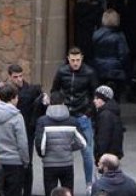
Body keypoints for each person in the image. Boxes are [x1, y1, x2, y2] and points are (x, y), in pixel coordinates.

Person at [50, 49, 98, 187]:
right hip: (65, 115)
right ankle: (62, 185)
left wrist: (88, 113)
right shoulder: (62, 71)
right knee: (60, 149)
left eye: (78, 60)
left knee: (87, 152)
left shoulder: (89, 72)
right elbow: (54, 90)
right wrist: (58, 105)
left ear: (82, 58)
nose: (75, 63)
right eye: (72, 60)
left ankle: (89, 183)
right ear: (68, 59)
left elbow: (95, 95)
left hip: (82, 115)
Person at [35, 92, 85, 194]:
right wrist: (69, 147)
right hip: (67, 163)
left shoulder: (42, 121)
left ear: (50, 103)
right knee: (68, 192)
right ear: (63, 103)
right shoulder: (72, 121)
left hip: (49, 165)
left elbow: (40, 146)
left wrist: (43, 155)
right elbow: (83, 142)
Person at [0, 85, 28, 196]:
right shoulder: (17, 117)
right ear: (13, 98)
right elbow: (22, 143)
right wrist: (25, 161)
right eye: (17, 97)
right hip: (15, 162)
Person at [91, 10, 131, 102]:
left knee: (100, 97)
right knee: (114, 98)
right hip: (115, 71)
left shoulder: (96, 34)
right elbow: (124, 54)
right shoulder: (119, 36)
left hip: (99, 68)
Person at [91, 87, 123, 161]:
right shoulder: (111, 111)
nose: (94, 101)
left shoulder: (105, 115)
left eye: (97, 98)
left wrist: (99, 157)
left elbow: (103, 138)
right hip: (112, 156)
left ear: (104, 99)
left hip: (107, 158)